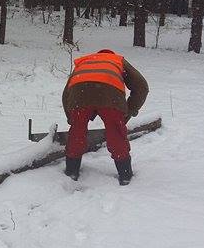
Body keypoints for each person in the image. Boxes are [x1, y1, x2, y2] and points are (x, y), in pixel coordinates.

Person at [62, 49, 149, 185]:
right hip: (110, 97)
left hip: (79, 94)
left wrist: (71, 117)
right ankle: (125, 175)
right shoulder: (118, 60)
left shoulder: (84, 61)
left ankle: (72, 171)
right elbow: (142, 86)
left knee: (77, 132)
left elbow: (67, 92)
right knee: (116, 134)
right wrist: (129, 111)